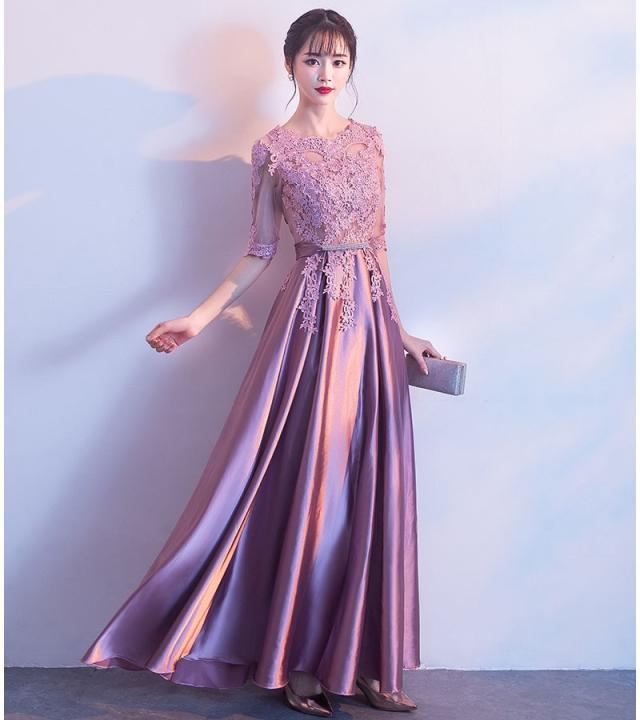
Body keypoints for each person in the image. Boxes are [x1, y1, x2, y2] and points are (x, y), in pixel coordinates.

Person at [81, 8, 445, 717]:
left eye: (339, 61)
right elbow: (260, 250)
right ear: (289, 65)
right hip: (308, 328)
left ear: (352, 67)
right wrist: (198, 317)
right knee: (312, 489)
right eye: (313, 59)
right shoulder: (273, 150)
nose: (326, 73)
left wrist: (402, 333)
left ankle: (368, 663)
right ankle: (301, 663)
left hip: (370, 330)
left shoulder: (371, 142)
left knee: (371, 488)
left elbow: (378, 245)